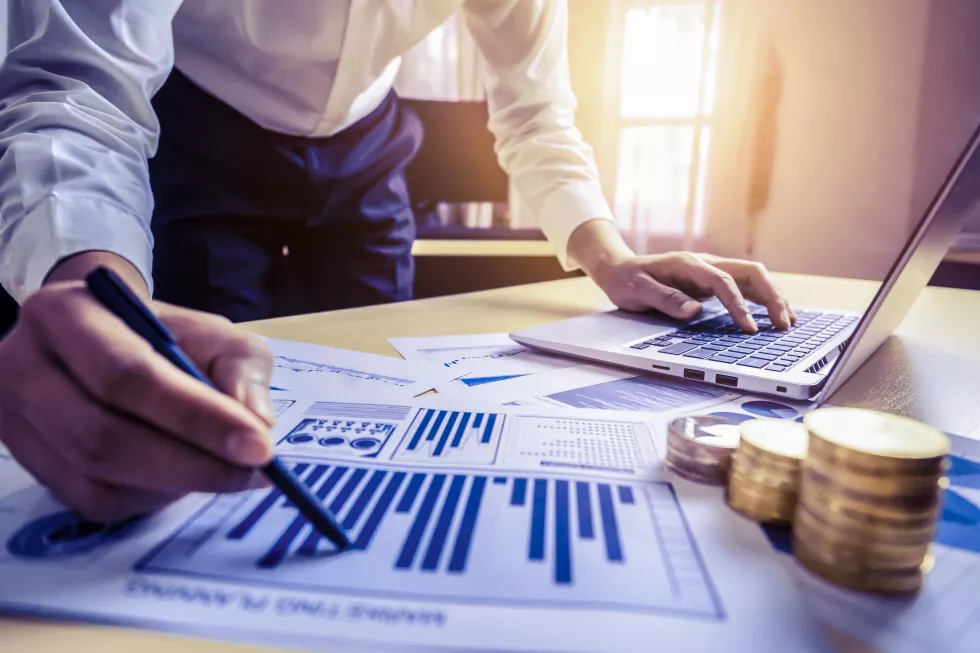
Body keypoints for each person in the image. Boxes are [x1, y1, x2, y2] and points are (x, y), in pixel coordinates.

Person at [0, 0, 795, 524]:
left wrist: (610, 255)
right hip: (200, 132)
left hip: (368, 150)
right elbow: (78, 89)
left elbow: (537, 112)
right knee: (201, 403)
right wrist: (84, 278)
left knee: (386, 387)